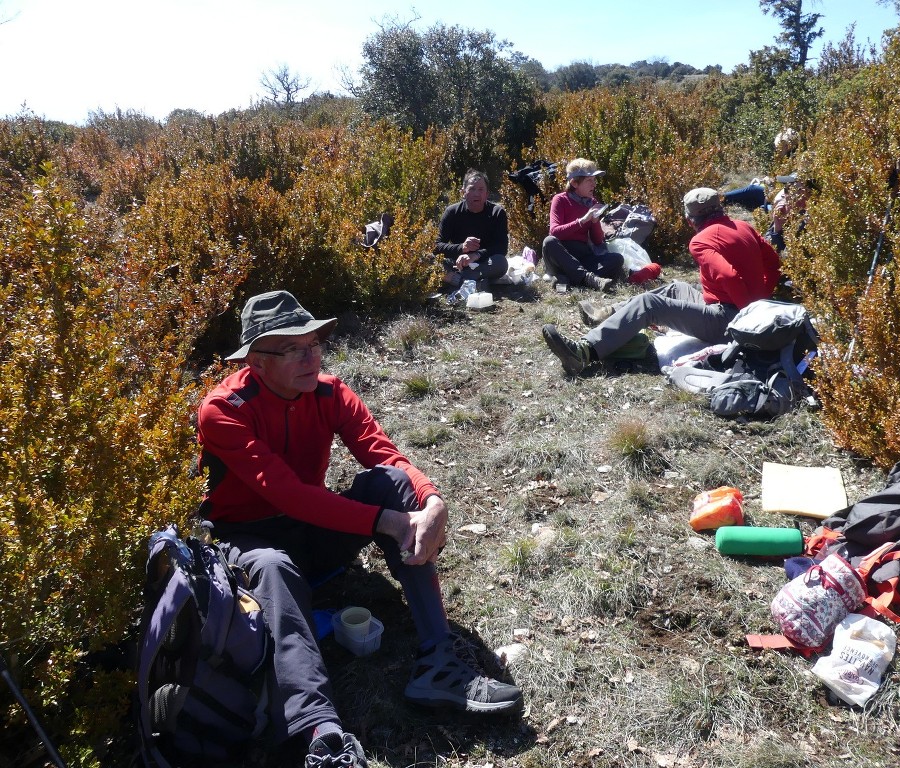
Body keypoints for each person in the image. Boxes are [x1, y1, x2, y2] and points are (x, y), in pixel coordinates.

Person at [197, 291, 522, 768]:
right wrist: (385, 521)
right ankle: (319, 734)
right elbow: (285, 492)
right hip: (249, 540)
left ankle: (439, 659)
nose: (311, 357)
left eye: (314, 343)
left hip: (313, 531)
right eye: (293, 349)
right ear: (257, 362)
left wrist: (431, 501)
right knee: (272, 565)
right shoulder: (224, 410)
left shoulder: (329, 392)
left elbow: (384, 455)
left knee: (390, 483)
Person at [541, 188, 781, 375]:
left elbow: (727, 276)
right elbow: (774, 263)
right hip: (741, 311)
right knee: (678, 287)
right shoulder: (744, 227)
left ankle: (584, 353)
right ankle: (610, 313)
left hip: (730, 321)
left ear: (690, 219)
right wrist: (760, 300)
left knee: (649, 303)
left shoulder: (701, 241)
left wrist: (745, 316)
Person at [541, 158, 624, 292]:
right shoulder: (560, 200)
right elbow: (554, 232)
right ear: (574, 183)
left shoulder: (591, 203)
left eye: (594, 180)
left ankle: (567, 278)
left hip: (582, 257)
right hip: (561, 255)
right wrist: (582, 221)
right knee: (549, 241)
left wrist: (595, 221)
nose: (594, 185)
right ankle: (588, 279)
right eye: (589, 180)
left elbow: (597, 241)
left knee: (617, 259)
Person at [435, 169, 509, 289]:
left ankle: (458, 280)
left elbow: (501, 247)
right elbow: (436, 245)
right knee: (425, 258)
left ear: (487, 194)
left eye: (481, 190)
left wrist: (476, 255)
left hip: (484, 262)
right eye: (472, 189)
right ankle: (471, 282)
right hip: (457, 263)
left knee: (501, 262)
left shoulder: (497, 213)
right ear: (463, 192)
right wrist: (461, 248)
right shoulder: (452, 212)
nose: (476, 194)